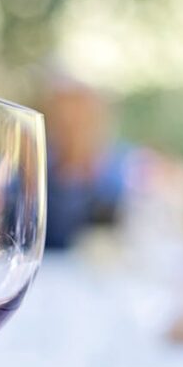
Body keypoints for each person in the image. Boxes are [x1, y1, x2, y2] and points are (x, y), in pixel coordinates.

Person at [41, 78, 128, 249]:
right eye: (64, 119)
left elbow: (111, 234)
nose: (72, 125)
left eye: (82, 118)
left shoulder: (110, 175)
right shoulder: (36, 169)